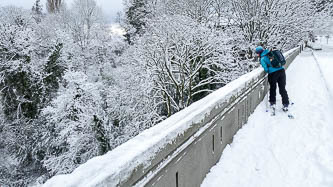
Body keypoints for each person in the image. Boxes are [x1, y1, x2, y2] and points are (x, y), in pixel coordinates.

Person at [255, 46, 289, 111]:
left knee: (273, 88)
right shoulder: (271, 52)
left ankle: (272, 102)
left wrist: (269, 68)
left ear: (259, 53)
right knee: (282, 88)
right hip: (281, 71)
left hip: (273, 74)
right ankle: (285, 103)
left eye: (257, 53)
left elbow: (266, 69)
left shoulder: (262, 58)